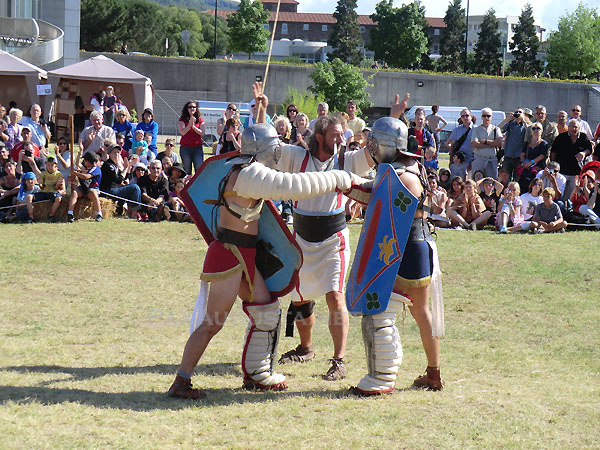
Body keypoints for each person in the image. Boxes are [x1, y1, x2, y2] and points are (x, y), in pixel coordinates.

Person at [167, 83, 360, 399]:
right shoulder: (249, 174)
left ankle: (257, 374)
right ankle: (181, 382)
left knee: (267, 311)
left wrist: (259, 110)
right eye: (274, 149)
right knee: (213, 322)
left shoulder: (246, 166)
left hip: (245, 254)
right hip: (230, 254)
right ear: (263, 151)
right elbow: (294, 187)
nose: (278, 155)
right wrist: (341, 179)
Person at [275, 100, 380, 381]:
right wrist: (261, 110)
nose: (340, 139)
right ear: (319, 136)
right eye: (335, 134)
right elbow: (268, 146)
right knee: (300, 297)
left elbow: (373, 155)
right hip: (301, 237)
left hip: (334, 237)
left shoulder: (347, 159)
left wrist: (392, 120)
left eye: (342, 134)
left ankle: (339, 360)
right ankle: (306, 348)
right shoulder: (297, 157)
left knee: (335, 296)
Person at [347, 106, 445, 395]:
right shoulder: (408, 168)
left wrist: (346, 185)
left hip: (406, 250)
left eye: (375, 143)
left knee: (378, 312)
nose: (371, 149)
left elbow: (376, 197)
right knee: (420, 312)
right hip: (417, 244)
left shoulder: (402, 175)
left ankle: (382, 378)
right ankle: (433, 373)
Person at [550, 119, 593, 201]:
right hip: (562, 172)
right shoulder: (560, 137)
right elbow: (553, 152)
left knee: (573, 195)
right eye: (571, 126)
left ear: (579, 128)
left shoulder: (584, 137)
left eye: (575, 127)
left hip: (576, 172)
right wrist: (554, 166)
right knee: (560, 194)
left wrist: (583, 153)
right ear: (568, 127)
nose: (573, 129)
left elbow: (589, 150)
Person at [100, 144, 141, 218]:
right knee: (134, 188)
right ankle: (134, 212)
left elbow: (124, 179)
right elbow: (118, 180)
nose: (116, 154)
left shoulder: (115, 166)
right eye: (114, 152)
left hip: (114, 189)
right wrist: (125, 169)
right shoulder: (107, 165)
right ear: (109, 154)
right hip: (108, 191)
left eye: (118, 153)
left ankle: (129, 211)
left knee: (132, 188)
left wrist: (128, 168)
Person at [67, 152, 103, 223]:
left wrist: (75, 173)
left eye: (85, 161)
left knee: (93, 192)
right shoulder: (87, 168)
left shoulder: (96, 169)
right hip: (84, 188)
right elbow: (80, 167)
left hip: (92, 189)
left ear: (87, 161)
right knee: (74, 192)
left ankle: (99, 214)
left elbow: (86, 176)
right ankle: (70, 214)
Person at [26, 155, 65, 222]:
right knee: (29, 196)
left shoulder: (59, 175)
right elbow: (42, 186)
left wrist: (59, 192)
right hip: (44, 192)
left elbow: (63, 190)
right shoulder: (43, 174)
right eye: (48, 165)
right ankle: (31, 217)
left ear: (56, 165)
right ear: (46, 165)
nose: (50, 167)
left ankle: (51, 215)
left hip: (53, 192)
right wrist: (40, 184)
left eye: (52, 165)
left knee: (58, 198)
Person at [471, 108, 503, 179]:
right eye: (484, 116)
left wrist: (485, 141)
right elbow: (475, 144)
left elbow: (499, 142)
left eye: (488, 116)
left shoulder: (496, 129)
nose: (486, 118)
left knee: (491, 182)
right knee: (477, 183)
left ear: (491, 117)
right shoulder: (476, 130)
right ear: (481, 117)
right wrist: (492, 144)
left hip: (492, 161)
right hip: (479, 160)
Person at [518, 123, 550, 193]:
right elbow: (522, 155)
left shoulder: (544, 144)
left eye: (538, 128)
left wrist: (531, 162)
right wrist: (524, 163)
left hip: (538, 169)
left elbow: (542, 156)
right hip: (527, 169)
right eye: (533, 128)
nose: (536, 130)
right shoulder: (527, 143)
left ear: (541, 131)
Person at [499, 107, 527, 181]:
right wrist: (507, 119)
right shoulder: (510, 124)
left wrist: (523, 120)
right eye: (516, 112)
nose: (518, 113)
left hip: (519, 158)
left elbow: (530, 133)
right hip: (508, 156)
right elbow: (498, 130)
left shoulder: (525, 126)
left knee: (517, 179)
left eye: (520, 112)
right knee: (505, 178)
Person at [178, 101, 205, 175]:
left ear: (196, 109)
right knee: (187, 170)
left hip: (197, 148)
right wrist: (190, 124)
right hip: (185, 148)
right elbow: (183, 132)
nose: (192, 108)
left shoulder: (200, 120)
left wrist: (193, 126)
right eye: (190, 107)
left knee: (199, 169)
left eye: (194, 107)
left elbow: (202, 133)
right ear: (186, 109)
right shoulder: (182, 119)